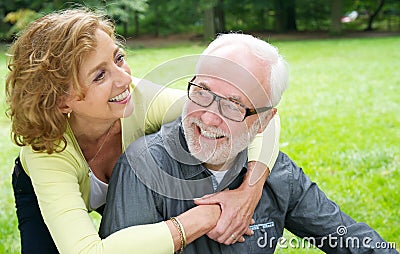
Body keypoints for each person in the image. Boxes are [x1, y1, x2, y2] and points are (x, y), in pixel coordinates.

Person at [5, 9, 281, 254]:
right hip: (42, 191)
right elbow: (86, 251)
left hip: (129, 183)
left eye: (119, 58)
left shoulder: (140, 97)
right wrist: (208, 215)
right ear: (62, 100)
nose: (125, 78)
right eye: (100, 75)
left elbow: (258, 117)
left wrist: (249, 191)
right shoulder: (46, 150)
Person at [100, 33, 398, 253]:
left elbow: (349, 239)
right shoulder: (144, 168)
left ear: (264, 121)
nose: (209, 117)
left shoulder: (278, 173)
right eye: (202, 91)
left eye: (232, 105)